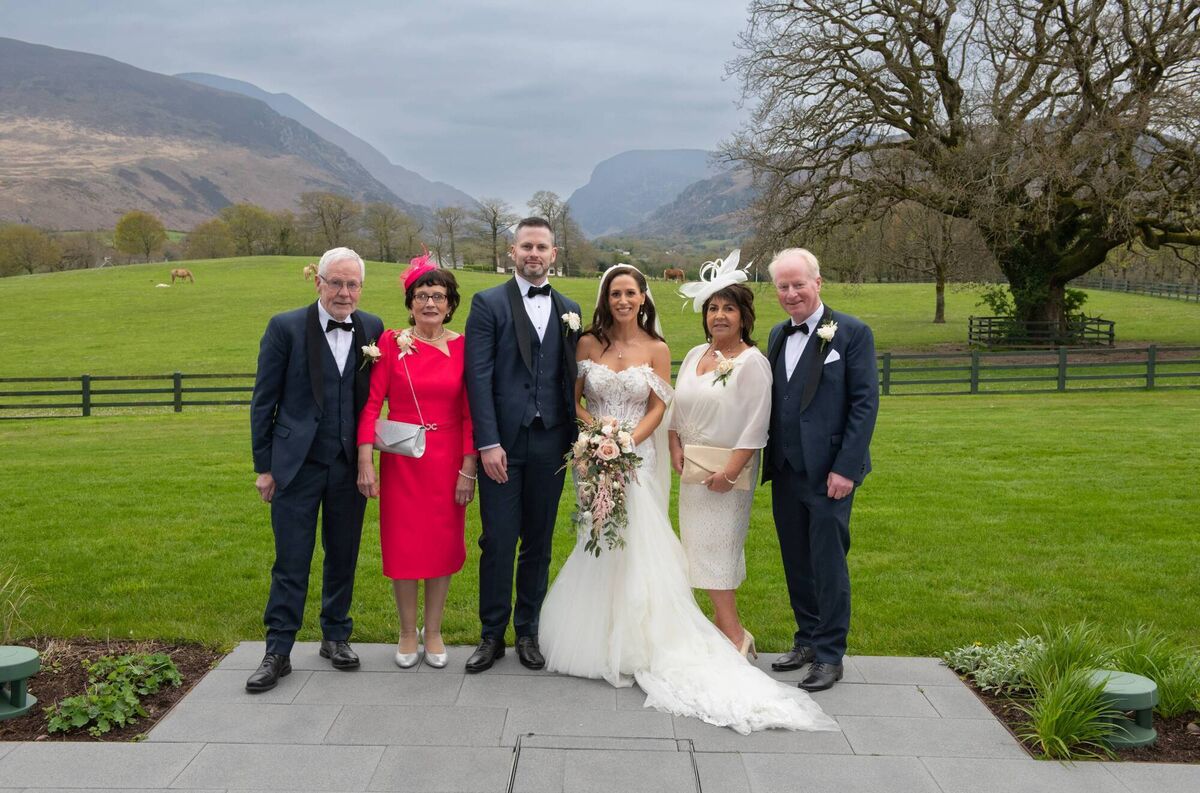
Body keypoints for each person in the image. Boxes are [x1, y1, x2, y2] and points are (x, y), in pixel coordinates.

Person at [540, 265, 837, 735]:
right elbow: (574, 398)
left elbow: (660, 405)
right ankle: (599, 635)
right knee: (597, 535)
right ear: (606, 297)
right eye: (615, 293)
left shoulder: (659, 349)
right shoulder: (589, 344)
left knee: (641, 542)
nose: (622, 300)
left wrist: (626, 443)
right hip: (594, 457)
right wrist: (598, 437)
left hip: (636, 457)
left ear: (643, 298)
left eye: (630, 292)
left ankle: (661, 636)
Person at [247, 247, 384, 692]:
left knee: (342, 555)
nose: (345, 292)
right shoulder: (285, 327)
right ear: (318, 283)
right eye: (336, 283)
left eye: (352, 284)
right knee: (292, 559)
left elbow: (373, 398)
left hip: (349, 467)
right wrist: (265, 468)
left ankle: (335, 635)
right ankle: (278, 650)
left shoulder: (373, 328)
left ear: (361, 287)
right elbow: (263, 402)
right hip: (295, 467)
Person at [463, 217, 582, 672]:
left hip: (552, 443)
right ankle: (491, 634)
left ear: (553, 254)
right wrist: (488, 443)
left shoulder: (569, 307)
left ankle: (528, 632)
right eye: (526, 246)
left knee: (539, 541)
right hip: (503, 446)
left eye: (542, 247)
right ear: (512, 252)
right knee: (497, 540)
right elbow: (478, 377)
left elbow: (572, 377)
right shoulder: (487, 303)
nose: (534, 254)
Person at [763, 248, 879, 692]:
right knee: (796, 560)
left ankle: (831, 654)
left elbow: (864, 405)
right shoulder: (777, 335)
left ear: (818, 282)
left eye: (798, 284)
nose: (791, 293)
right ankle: (807, 638)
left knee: (828, 563)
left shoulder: (851, 333)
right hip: (787, 469)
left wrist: (846, 468)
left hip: (832, 473)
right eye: (783, 286)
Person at [356, 253, 475, 669]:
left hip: (448, 465)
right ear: (410, 303)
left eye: (438, 296)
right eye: (422, 296)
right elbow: (371, 405)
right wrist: (365, 461)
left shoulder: (464, 347)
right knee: (405, 547)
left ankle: (435, 630)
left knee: (443, 546)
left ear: (450, 304)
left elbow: (469, 413)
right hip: (404, 463)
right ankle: (407, 632)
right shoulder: (391, 343)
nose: (430, 304)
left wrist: (468, 468)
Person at [669, 252, 772, 656]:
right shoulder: (696, 354)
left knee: (719, 551)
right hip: (693, 473)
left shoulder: (752, 362)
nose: (720, 315)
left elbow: (757, 424)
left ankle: (734, 633)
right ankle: (721, 627)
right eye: (713, 308)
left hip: (728, 475)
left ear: (744, 316)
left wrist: (729, 473)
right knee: (696, 551)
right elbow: (676, 407)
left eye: (729, 308)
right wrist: (674, 444)